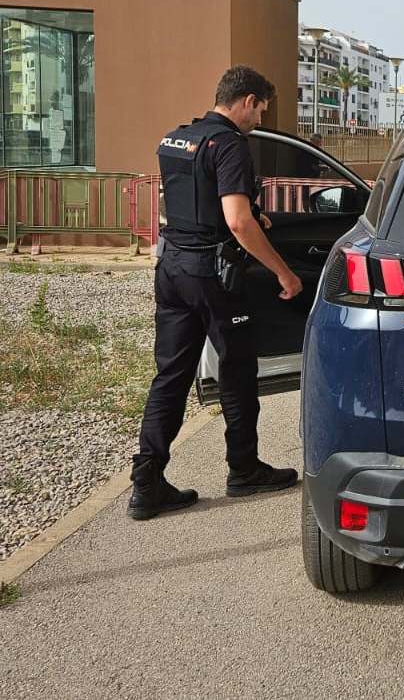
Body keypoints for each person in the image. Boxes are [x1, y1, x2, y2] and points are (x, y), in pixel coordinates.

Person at [129, 66, 304, 520]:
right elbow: (237, 221)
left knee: (170, 375)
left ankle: (146, 482)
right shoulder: (229, 145)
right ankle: (244, 469)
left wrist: (250, 217)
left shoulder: (175, 139)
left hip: (171, 268)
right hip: (213, 275)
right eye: (260, 110)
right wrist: (284, 273)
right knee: (238, 367)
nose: (260, 120)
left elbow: (196, 202)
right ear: (246, 100)